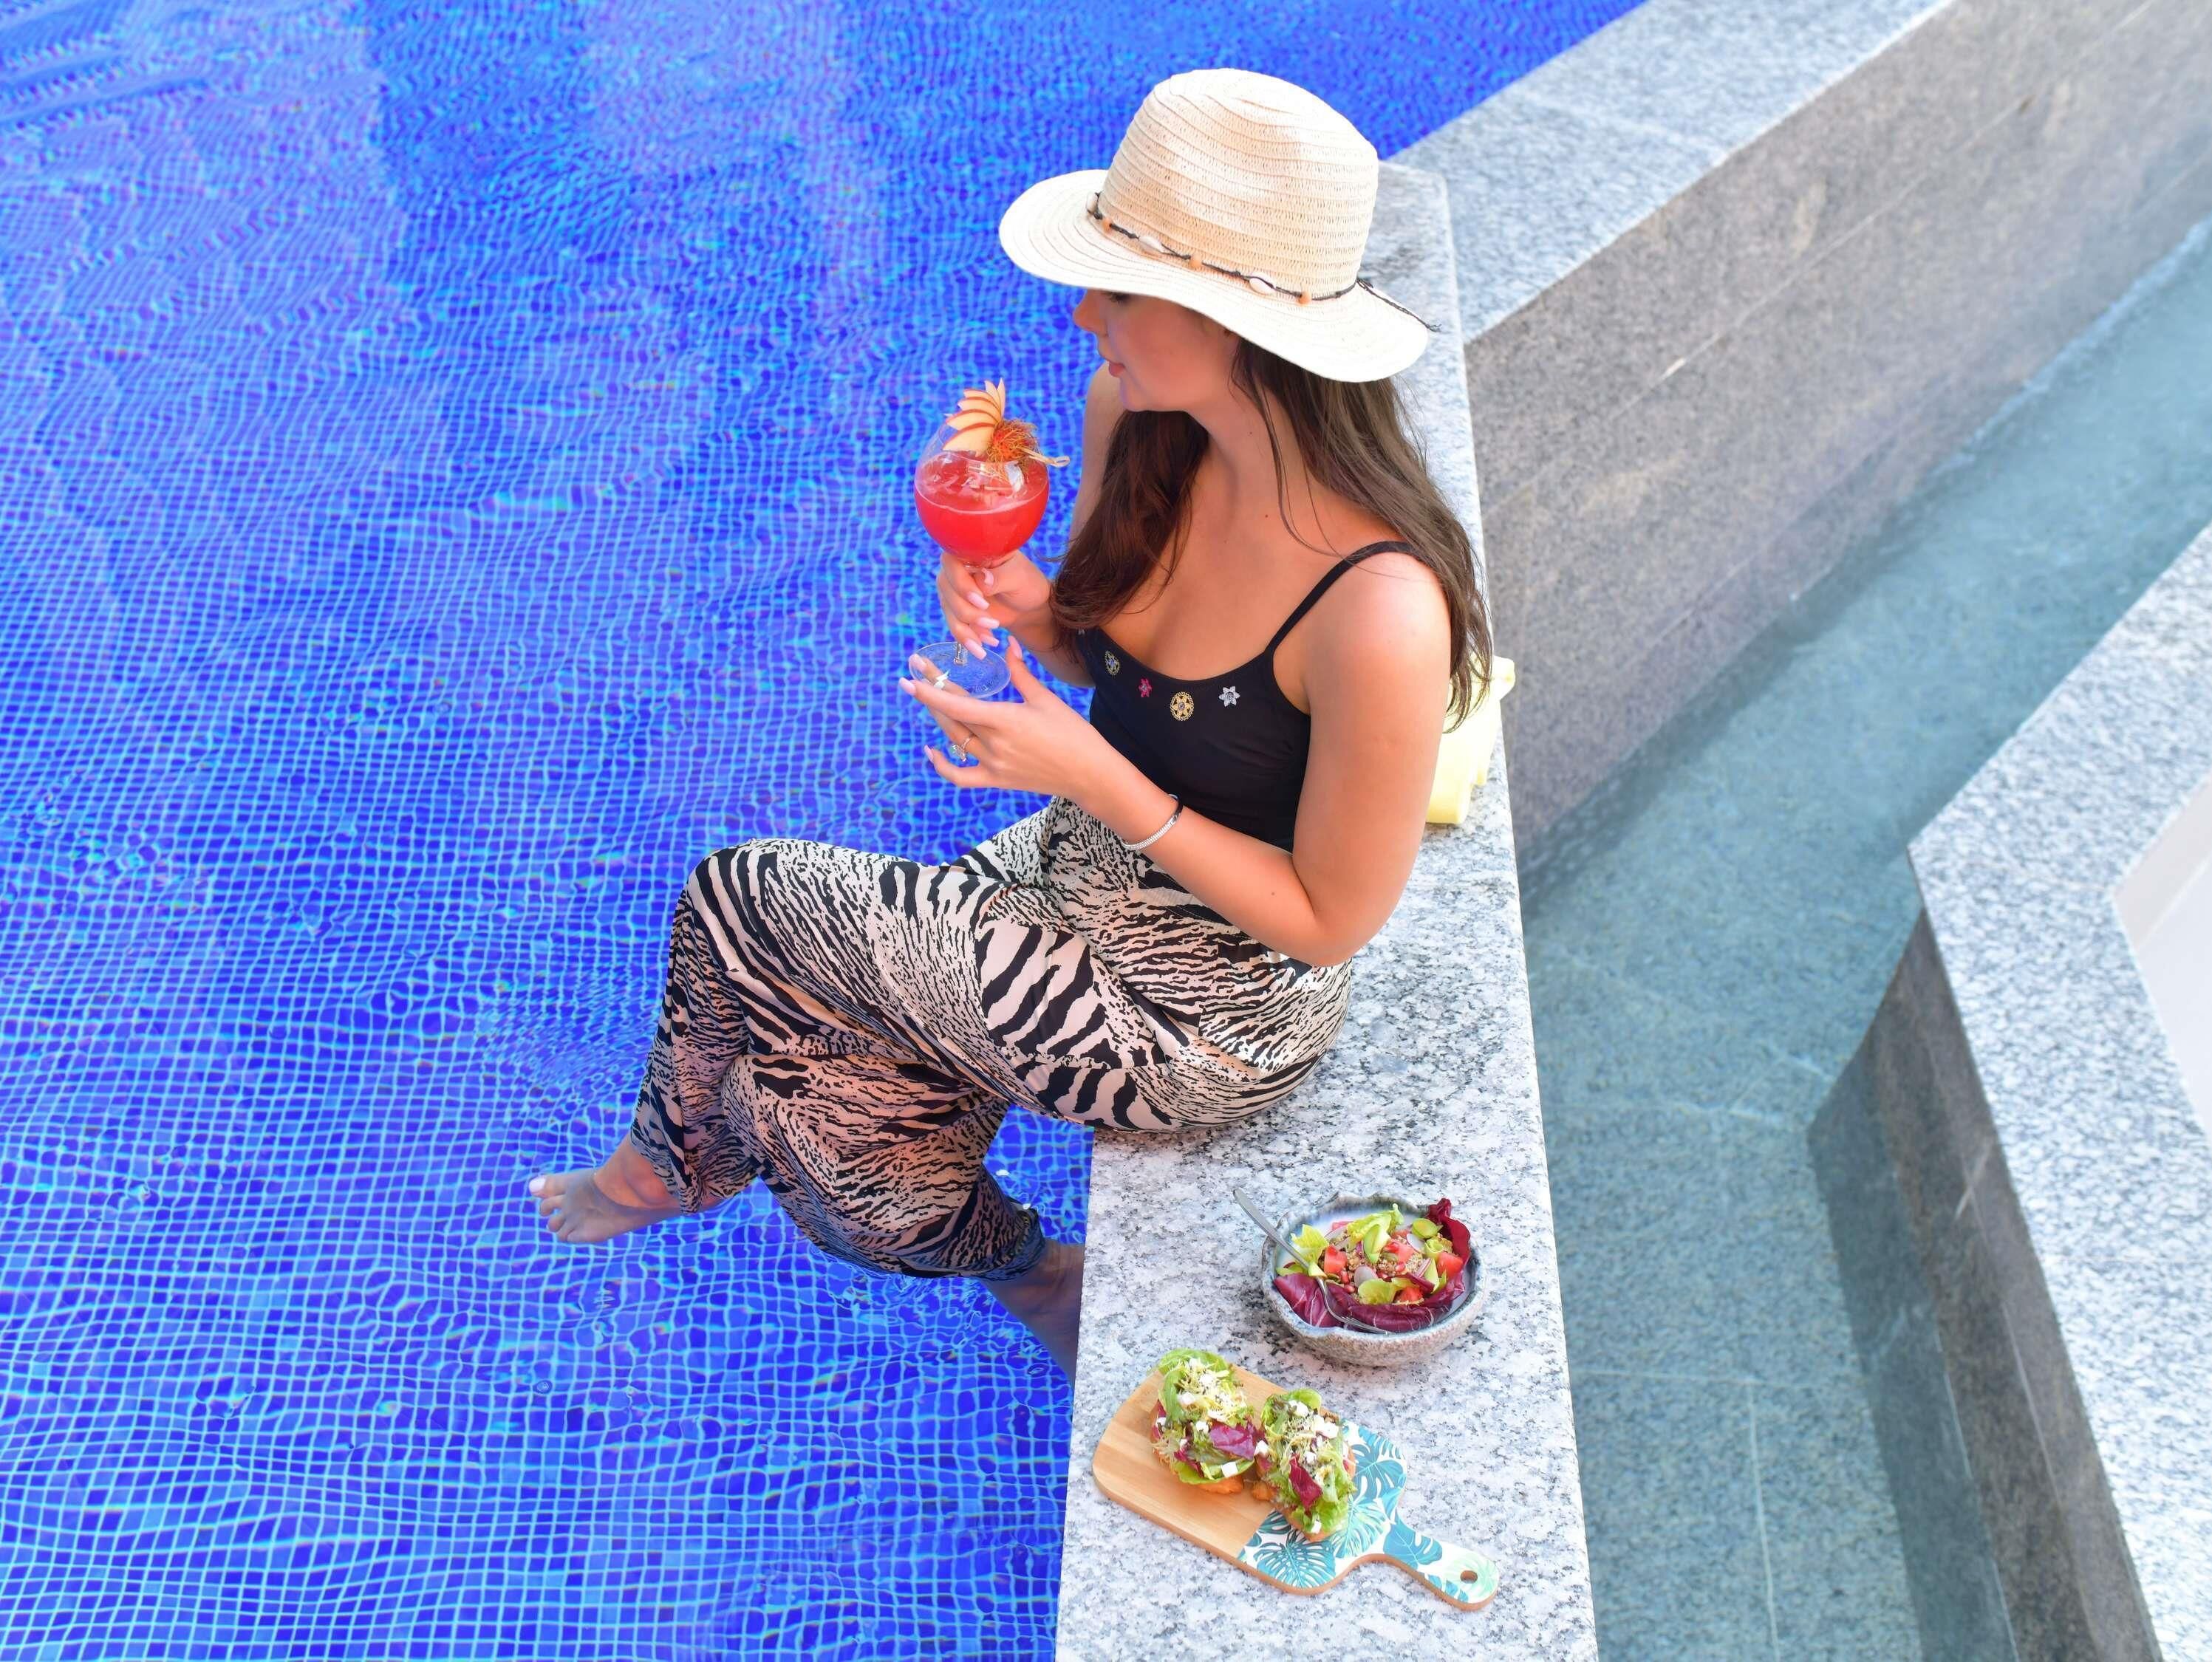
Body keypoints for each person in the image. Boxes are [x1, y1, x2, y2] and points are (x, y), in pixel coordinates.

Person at [527, 67, 1493, 1378]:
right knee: (802, 1102)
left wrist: (1094, 776)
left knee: (741, 896)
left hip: (1207, 1008)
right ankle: (1035, 1271)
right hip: (1077, 874)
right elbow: (1103, 656)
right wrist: (1025, 601)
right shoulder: (1138, 421)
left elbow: (1328, 919)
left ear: (1235, 321)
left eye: (1120, 291)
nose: (1086, 314)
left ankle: (661, 1165)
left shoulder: (1377, 608)